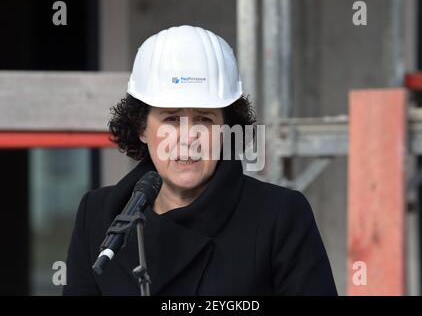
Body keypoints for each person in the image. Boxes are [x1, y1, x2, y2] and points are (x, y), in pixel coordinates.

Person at [63, 25, 337, 295]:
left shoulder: (279, 216)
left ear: (227, 129)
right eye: (171, 118)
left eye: (204, 120)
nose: (188, 138)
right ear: (142, 128)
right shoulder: (96, 216)